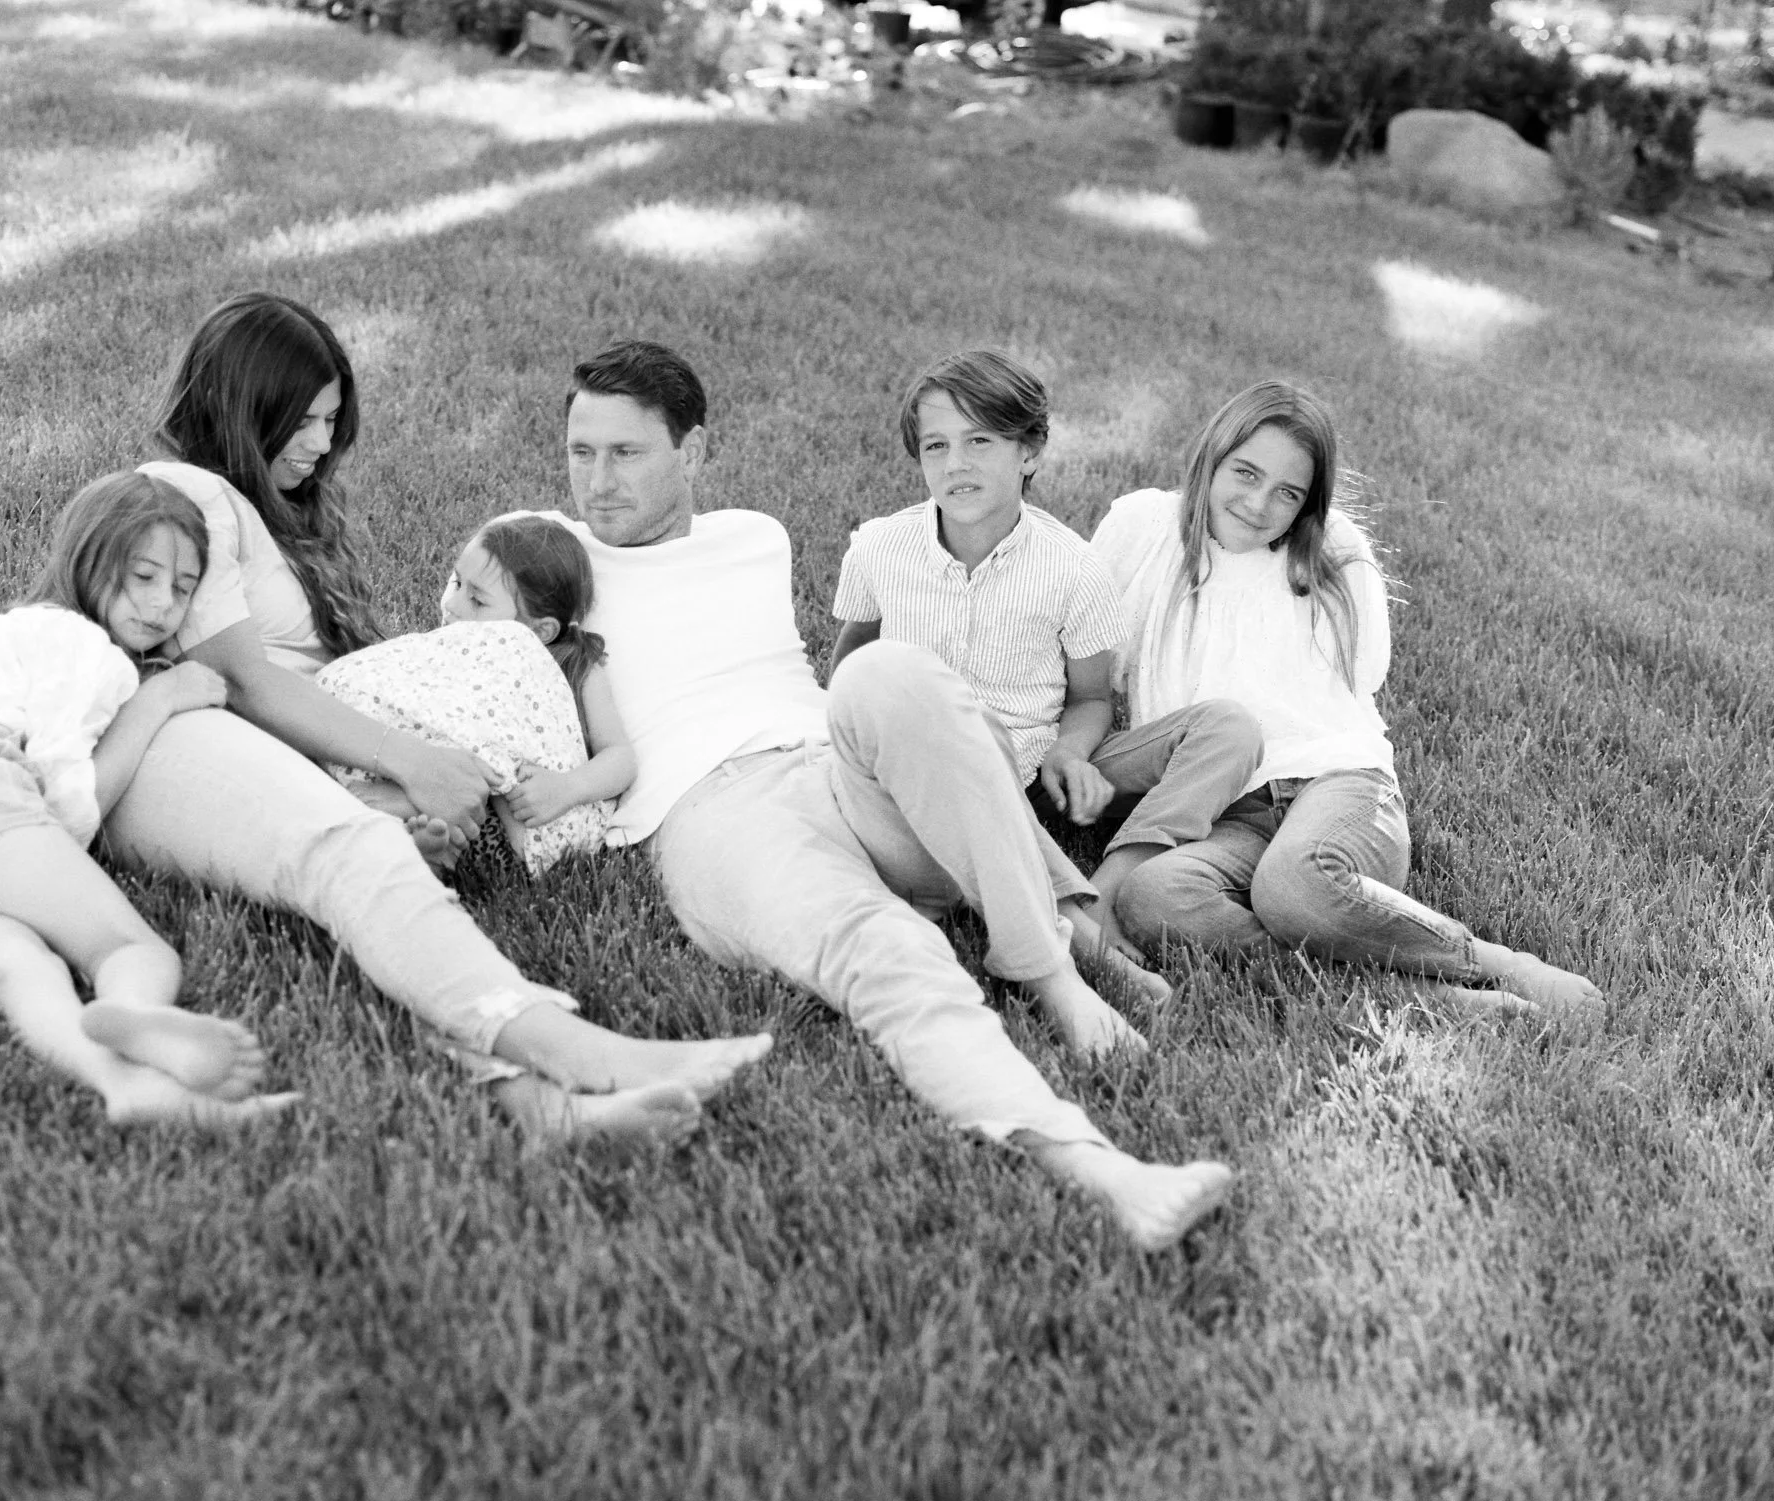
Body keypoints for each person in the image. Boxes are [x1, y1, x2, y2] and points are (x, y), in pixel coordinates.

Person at [526, 339, 1233, 1253]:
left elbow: (848, 669)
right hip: (715, 809)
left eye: (626, 453)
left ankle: (1051, 969)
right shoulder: (544, 553)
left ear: (692, 452)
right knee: (888, 948)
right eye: (581, 452)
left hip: (836, 762)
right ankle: (1105, 1169)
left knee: (891, 671)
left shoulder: (756, 536)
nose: (597, 481)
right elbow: (469, 653)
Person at [102, 292, 772, 1146]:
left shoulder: (276, 509)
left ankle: (544, 1108)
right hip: (194, 742)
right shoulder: (188, 491)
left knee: (382, 886)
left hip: (294, 758)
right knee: (361, 860)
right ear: (243, 405)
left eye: (331, 421)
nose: (321, 444)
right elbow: (242, 678)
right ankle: (590, 1054)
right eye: (303, 420)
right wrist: (407, 758)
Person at [1091, 380, 1606, 1021]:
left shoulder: (1331, 550)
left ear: (1309, 503)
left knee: (1293, 885)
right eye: (1245, 472)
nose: (1258, 504)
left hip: (1337, 786)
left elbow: (1364, 674)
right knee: (1151, 896)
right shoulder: (1143, 528)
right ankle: (1413, 996)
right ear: (1210, 456)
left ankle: (1496, 964)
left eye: (1288, 492)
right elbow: (1093, 662)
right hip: (1225, 810)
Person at [0, 471, 297, 1126]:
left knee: (17, 958)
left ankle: (124, 1085)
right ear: (87, 559)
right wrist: (160, 697)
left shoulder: (19, 631)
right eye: (143, 575)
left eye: (182, 588)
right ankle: (137, 1010)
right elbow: (68, 807)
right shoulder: (86, 650)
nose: (163, 604)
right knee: (133, 950)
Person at [829, 349, 1264, 1007]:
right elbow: (851, 671)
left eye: (980, 441)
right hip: (923, 768)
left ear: (1029, 452)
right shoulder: (879, 550)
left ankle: (1110, 887)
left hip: (1033, 773)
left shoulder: (1073, 569)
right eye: (936, 445)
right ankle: (1083, 936)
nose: (955, 463)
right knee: (964, 747)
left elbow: (1090, 698)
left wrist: (1069, 751)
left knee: (1229, 728)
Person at [313, 515, 634, 875]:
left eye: (477, 601)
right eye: (456, 583)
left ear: (540, 630)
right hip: (452, 798)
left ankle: (411, 816)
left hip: (522, 817)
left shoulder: (579, 667)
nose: (453, 604)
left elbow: (620, 756)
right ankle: (426, 846)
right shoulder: (453, 655)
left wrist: (569, 788)